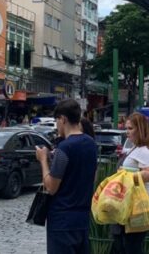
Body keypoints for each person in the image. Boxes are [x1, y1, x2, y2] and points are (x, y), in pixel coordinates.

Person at [35, 99, 97, 254]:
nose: (57, 125)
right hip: (83, 218)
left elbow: (51, 187)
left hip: (62, 219)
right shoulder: (91, 144)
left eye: (57, 121)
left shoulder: (65, 147)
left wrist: (43, 160)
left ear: (63, 119)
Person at [113, 113, 149, 254]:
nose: (127, 131)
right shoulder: (136, 148)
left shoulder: (145, 150)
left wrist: (126, 176)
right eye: (126, 128)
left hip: (141, 202)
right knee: (125, 244)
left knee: (132, 245)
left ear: (140, 129)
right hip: (133, 201)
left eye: (131, 128)